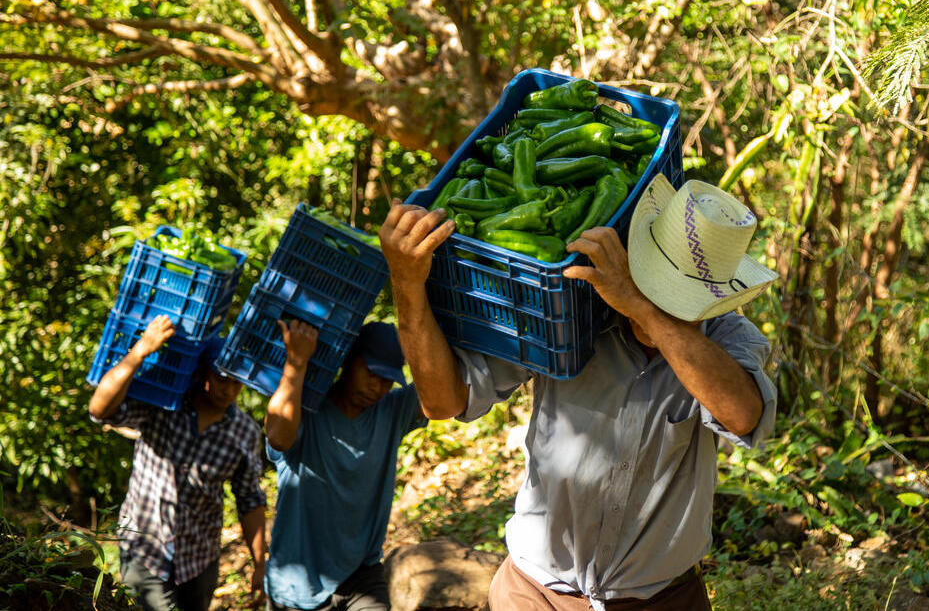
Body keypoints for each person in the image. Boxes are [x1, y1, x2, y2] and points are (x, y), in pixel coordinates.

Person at [378, 174, 779, 611]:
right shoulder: (569, 312)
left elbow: (743, 414)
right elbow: (443, 400)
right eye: (654, 284)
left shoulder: (730, 340)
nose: (658, 304)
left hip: (662, 598)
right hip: (535, 594)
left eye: (677, 298)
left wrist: (643, 307)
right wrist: (408, 285)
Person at [89, 316, 267, 611]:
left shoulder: (244, 432)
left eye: (237, 383)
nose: (229, 390)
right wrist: (140, 351)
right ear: (202, 374)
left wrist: (260, 562)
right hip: (145, 551)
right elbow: (99, 410)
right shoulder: (163, 407)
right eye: (222, 379)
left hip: (200, 559)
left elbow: (249, 497)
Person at [263, 319, 427, 611]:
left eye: (387, 379)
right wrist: (296, 363)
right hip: (298, 583)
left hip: (361, 573)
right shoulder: (307, 411)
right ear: (348, 361)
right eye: (371, 373)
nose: (378, 387)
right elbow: (277, 437)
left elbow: (440, 387)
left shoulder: (390, 412)